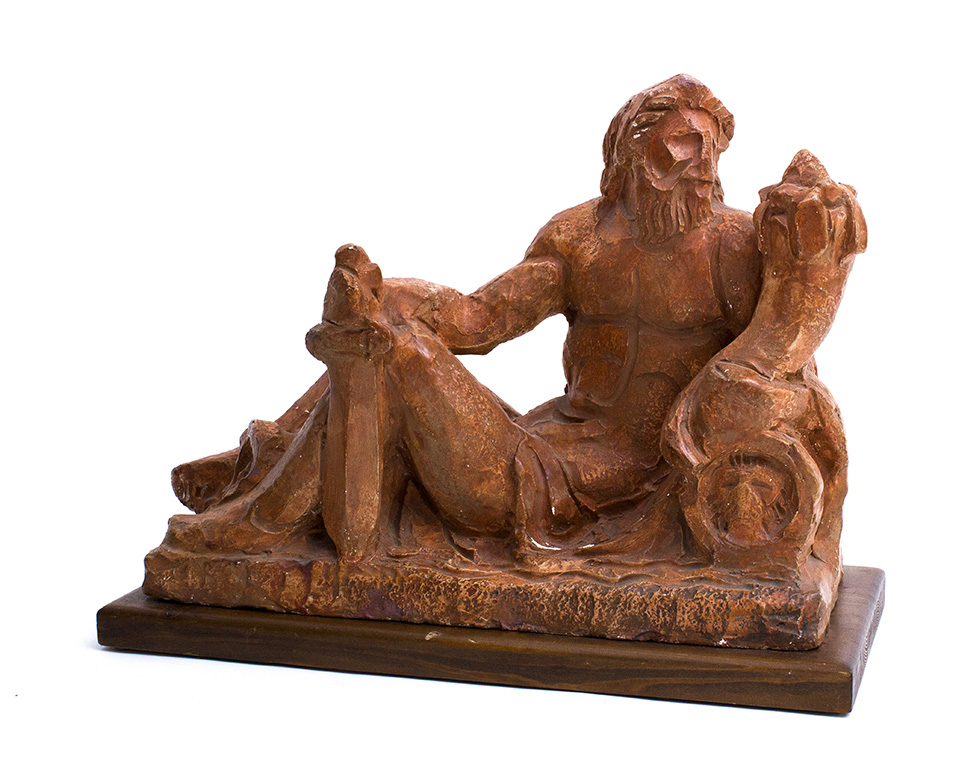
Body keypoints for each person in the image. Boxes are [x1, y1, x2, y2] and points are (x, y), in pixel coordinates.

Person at [167, 75, 766, 565]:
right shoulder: (581, 238)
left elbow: (774, 367)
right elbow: (480, 319)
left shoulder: (734, 247)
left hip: (603, 479)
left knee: (398, 352)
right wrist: (388, 294)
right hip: (542, 441)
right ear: (633, 149)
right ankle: (268, 468)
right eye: (684, 144)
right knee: (383, 330)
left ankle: (262, 504)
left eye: (713, 148)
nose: (704, 164)